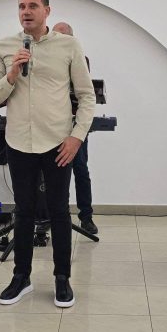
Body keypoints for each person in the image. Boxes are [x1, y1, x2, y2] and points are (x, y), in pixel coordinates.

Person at [0, 0, 96, 308]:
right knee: (23, 212)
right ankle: (21, 277)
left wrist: (77, 137)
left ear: (47, 11)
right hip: (19, 142)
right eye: (22, 6)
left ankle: (62, 278)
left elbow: (86, 96)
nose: (26, 11)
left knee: (59, 211)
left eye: (33, 5)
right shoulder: (4, 46)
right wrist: (12, 73)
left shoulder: (69, 45)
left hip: (58, 143)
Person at [52, 21, 98, 235]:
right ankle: (51, 214)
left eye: (63, 37)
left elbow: (83, 92)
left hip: (74, 123)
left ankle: (86, 217)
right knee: (50, 172)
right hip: (51, 123)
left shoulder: (80, 58)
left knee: (80, 169)